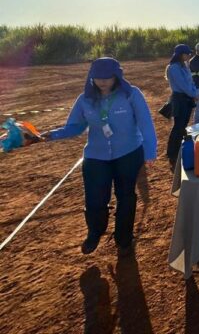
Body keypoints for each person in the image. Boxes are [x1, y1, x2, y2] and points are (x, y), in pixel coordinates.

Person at [43, 58, 157, 256]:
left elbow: (146, 124)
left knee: (126, 196)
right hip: (96, 156)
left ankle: (123, 238)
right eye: (98, 77)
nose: (102, 81)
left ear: (117, 76)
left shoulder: (131, 94)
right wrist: (50, 135)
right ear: (91, 77)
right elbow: (75, 126)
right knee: (95, 199)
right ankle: (95, 232)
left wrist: (150, 152)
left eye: (108, 77)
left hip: (128, 153)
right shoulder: (84, 99)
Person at [166, 44, 197, 163]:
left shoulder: (184, 65)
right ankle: (172, 152)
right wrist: (193, 94)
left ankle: (179, 148)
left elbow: (190, 81)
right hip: (180, 99)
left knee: (183, 124)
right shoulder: (173, 68)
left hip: (187, 98)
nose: (189, 55)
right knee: (178, 126)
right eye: (187, 53)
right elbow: (182, 85)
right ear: (180, 54)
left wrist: (194, 93)